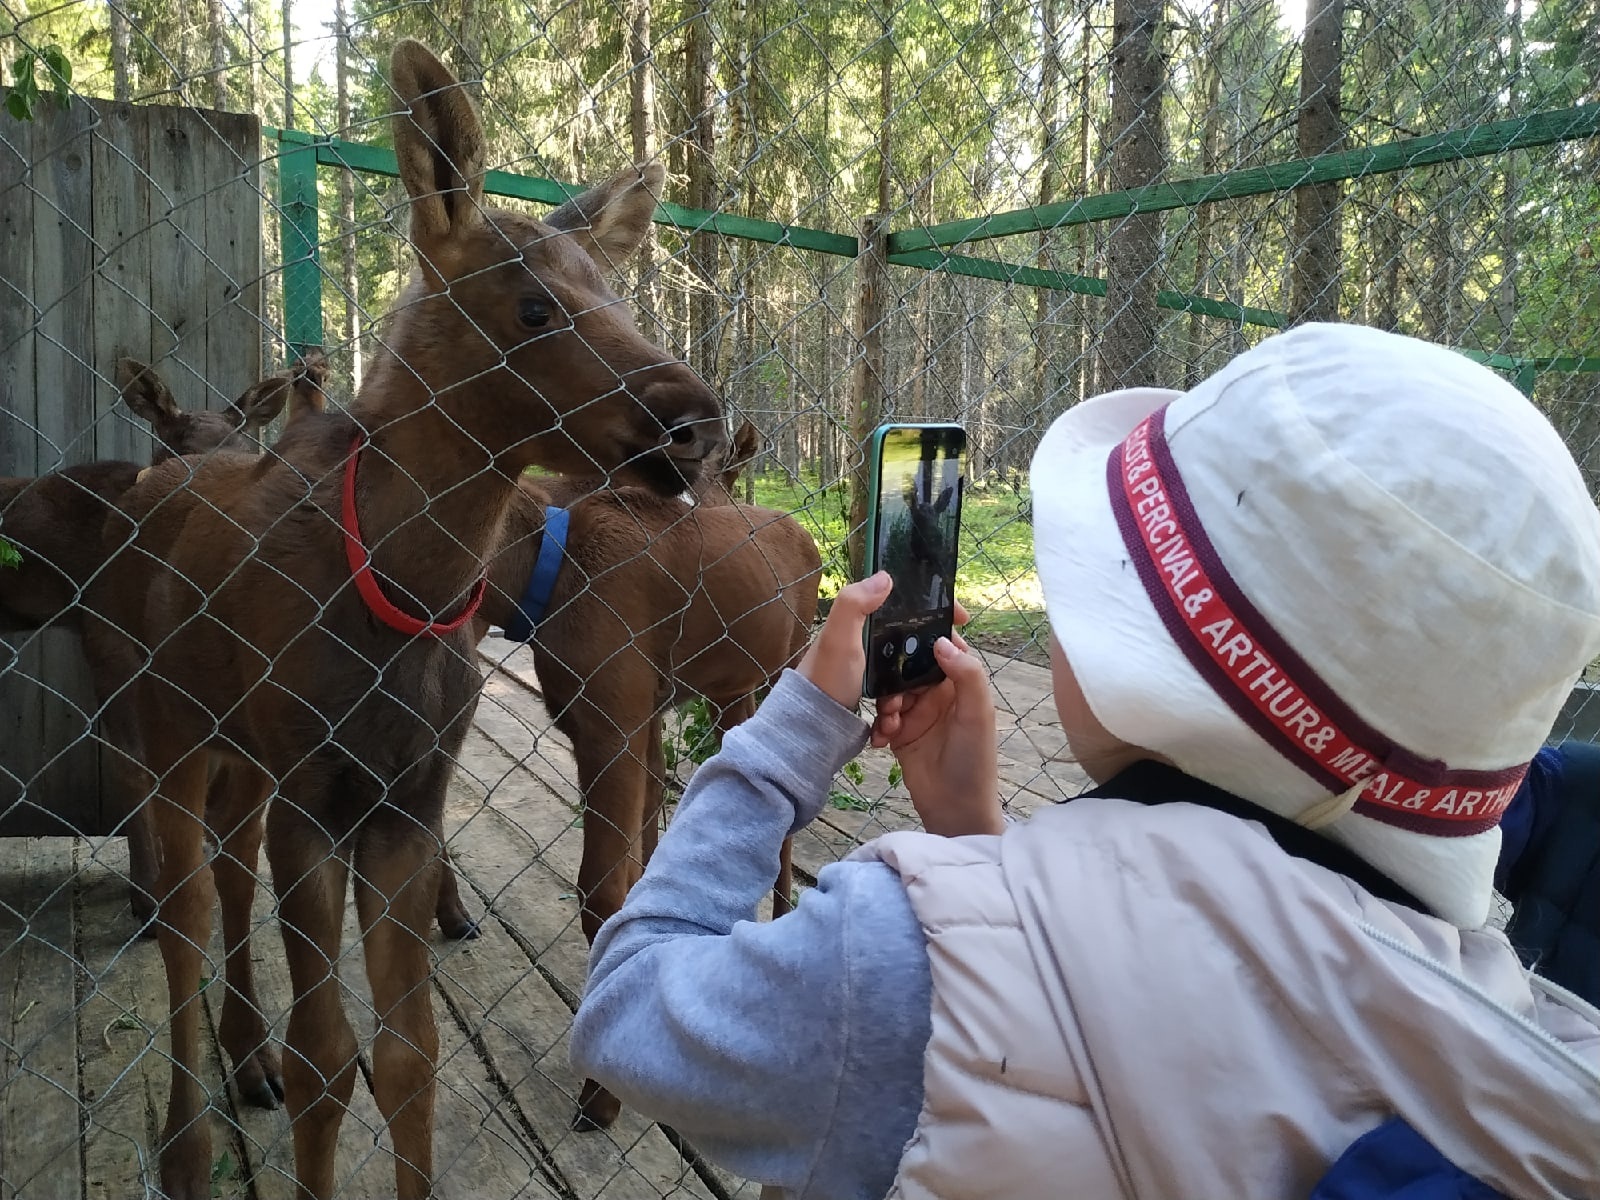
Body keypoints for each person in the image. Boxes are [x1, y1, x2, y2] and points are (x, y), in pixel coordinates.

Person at [569, 323, 1600, 1199]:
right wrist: (980, 850)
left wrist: (792, 732)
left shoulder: (887, 961)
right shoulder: (1519, 1052)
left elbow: (628, 1012)